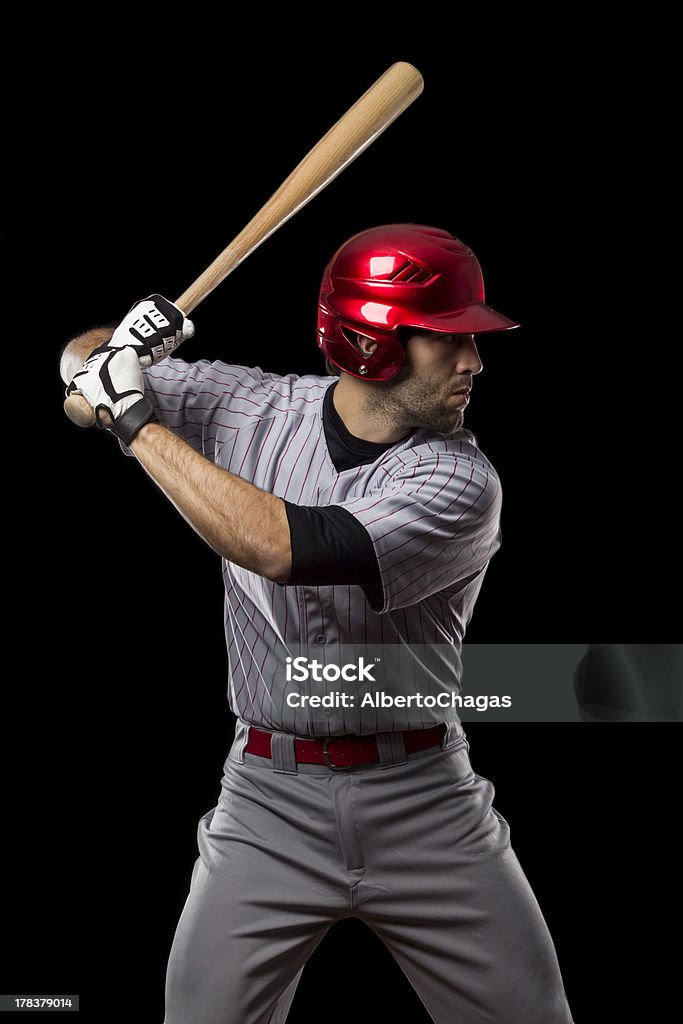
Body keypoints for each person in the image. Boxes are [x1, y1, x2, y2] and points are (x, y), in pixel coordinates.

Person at [61, 224, 574, 1023]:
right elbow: (77, 367)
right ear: (371, 343)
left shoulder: (460, 480)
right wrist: (111, 349)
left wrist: (135, 420)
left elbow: (278, 545)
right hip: (267, 799)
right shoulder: (255, 406)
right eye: (447, 340)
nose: (474, 362)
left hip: (424, 799)